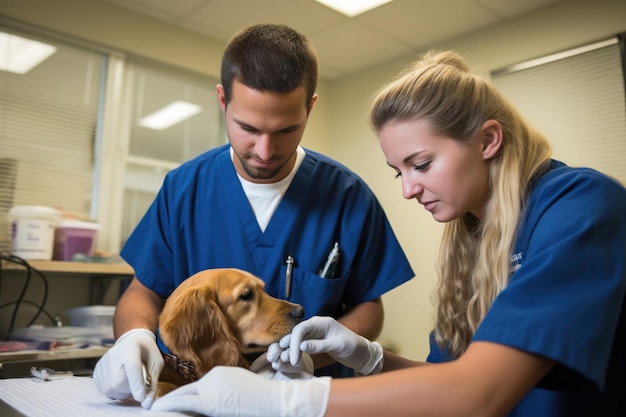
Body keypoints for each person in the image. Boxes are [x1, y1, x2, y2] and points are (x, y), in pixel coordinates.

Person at [151, 50, 626, 417]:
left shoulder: (581, 206)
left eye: (420, 164)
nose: (408, 190)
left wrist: (289, 403)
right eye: (399, 172)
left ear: (488, 140)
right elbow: (446, 380)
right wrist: (369, 357)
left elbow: (478, 393)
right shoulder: (474, 235)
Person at [92, 23, 414, 409]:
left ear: (309, 107)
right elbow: (143, 291)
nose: (264, 150)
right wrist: (133, 337)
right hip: (197, 396)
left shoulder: (349, 196)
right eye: (248, 128)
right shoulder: (184, 189)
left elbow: (367, 305)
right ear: (223, 100)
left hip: (310, 398)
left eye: (285, 130)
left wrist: (312, 355)